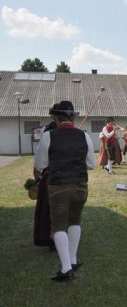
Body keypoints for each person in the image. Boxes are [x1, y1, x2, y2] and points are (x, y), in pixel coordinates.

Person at [34, 101, 95, 280]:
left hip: (59, 187)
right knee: (75, 222)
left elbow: (40, 165)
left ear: (56, 118)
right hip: (81, 186)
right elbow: (91, 164)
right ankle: (73, 260)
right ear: (72, 117)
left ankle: (66, 269)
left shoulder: (49, 136)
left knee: (58, 227)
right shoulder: (85, 136)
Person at [33, 106, 58, 251]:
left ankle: (51, 239)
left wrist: (37, 179)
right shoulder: (48, 132)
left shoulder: (46, 133)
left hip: (49, 176)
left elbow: (38, 163)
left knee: (49, 211)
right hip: (60, 176)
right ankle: (56, 239)